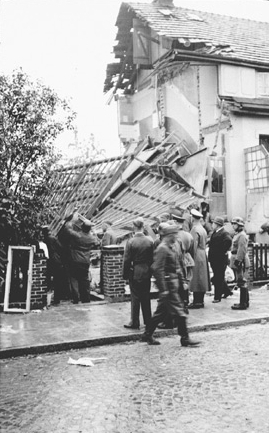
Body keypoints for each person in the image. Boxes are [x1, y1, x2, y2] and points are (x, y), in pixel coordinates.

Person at [141, 225, 200, 347]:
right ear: (168, 236)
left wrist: (182, 281)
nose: (176, 237)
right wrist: (163, 289)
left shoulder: (171, 247)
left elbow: (177, 266)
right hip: (168, 287)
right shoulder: (162, 249)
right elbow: (157, 269)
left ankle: (147, 334)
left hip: (173, 285)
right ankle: (185, 338)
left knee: (160, 314)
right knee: (180, 313)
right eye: (174, 235)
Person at [123, 217, 154, 329]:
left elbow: (126, 260)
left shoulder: (131, 241)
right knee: (146, 296)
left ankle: (135, 322)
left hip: (135, 271)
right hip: (147, 271)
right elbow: (152, 258)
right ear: (143, 227)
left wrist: (125, 275)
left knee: (135, 297)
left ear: (134, 227)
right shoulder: (150, 240)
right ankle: (148, 320)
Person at [65, 219, 100, 304]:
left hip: (75, 259)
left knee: (74, 279)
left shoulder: (77, 236)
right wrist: (93, 232)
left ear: (82, 227)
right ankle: (86, 298)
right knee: (84, 280)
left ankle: (76, 298)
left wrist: (71, 221)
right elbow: (97, 242)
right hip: (85, 261)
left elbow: (68, 229)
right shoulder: (92, 238)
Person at [188, 209, 211, 308]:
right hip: (203, 254)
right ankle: (200, 300)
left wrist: (190, 257)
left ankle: (197, 301)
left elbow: (193, 245)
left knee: (196, 278)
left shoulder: (194, 229)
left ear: (192, 218)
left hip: (197, 254)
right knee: (202, 278)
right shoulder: (202, 228)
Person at [208, 216, 233, 303]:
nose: (212, 225)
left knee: (218, 278)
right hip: (215, 260)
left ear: (217, 225)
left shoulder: (223, 233)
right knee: (218, 277)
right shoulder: (216, 232)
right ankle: (227, 291)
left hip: (219, 260)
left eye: (213, 223)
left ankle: (217, 297)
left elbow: (229, 241)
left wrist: (223, 251)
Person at [42, 226, 67, 305]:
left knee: (47, 280)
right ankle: (57, 299)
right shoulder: (53, 239)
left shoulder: (43, 240)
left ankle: (46, 299)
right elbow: (61, 247)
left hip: (46, 261)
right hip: (55, 261)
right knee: (57, 280)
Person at [230, 216, 250, 310]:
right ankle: (245, 302)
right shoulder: (238, 234)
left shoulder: (241, 235)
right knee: (241, 281)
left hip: (240, 260)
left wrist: (238, 260)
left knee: (241, 281)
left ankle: (243, 303)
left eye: (235, 224)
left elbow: (241, 249)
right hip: (238, 259)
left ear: (240, 225)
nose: (233, 225)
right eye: (233, 224)